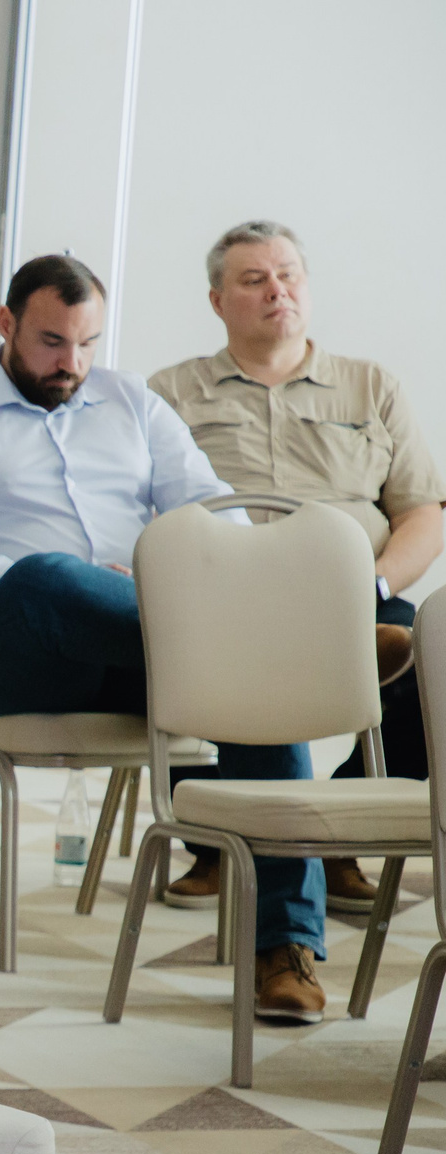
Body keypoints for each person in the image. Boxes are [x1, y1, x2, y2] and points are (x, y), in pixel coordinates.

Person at [0, 252, 370, 1024]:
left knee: (251, 680)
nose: (71, 363)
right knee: (51, 577)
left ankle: (282, 948)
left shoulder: (132, 404)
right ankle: (311, 638)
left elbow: (215, 508)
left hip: (139, 648)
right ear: (6, 324)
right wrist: (101, 583)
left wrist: (184, 578)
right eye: (51, 342)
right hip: (1, 649)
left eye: (87, 344)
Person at [150, 221, 446, 912]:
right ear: (218, 301)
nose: (276, 290)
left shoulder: (372, 386)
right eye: (253, 279)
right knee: (225, 656)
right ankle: (224, 843)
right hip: (225, 598)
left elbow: (422, 512)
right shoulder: (170, 393)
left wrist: (376, 583)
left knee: (430, 663)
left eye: (289, 276)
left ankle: (326, 832)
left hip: (357, 594)